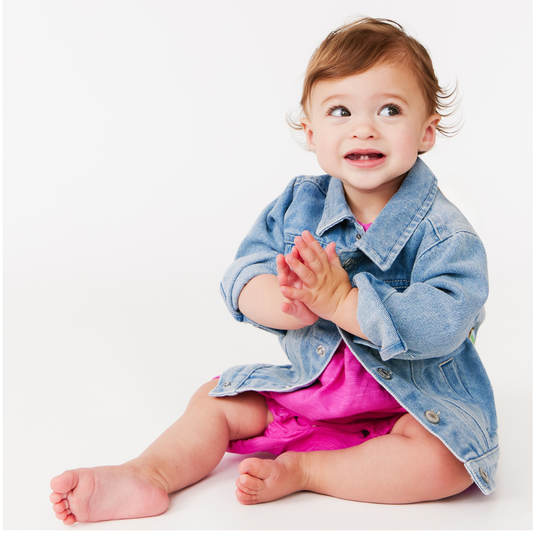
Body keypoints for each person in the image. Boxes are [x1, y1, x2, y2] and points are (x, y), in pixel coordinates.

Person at [50, 17, 499, 525]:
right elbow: (244, 273)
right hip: (312, 392)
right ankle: (146, 475)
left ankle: (308, 470)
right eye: (340, 111)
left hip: (412, 407)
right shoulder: (297, 205)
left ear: (427, 131)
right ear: (311, 132)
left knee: (447, 465)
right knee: (215, 401)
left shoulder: (446, 233)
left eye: (389, 110)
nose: (363, 128)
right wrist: (285, 303)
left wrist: (343, 303)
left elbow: (445, 323)